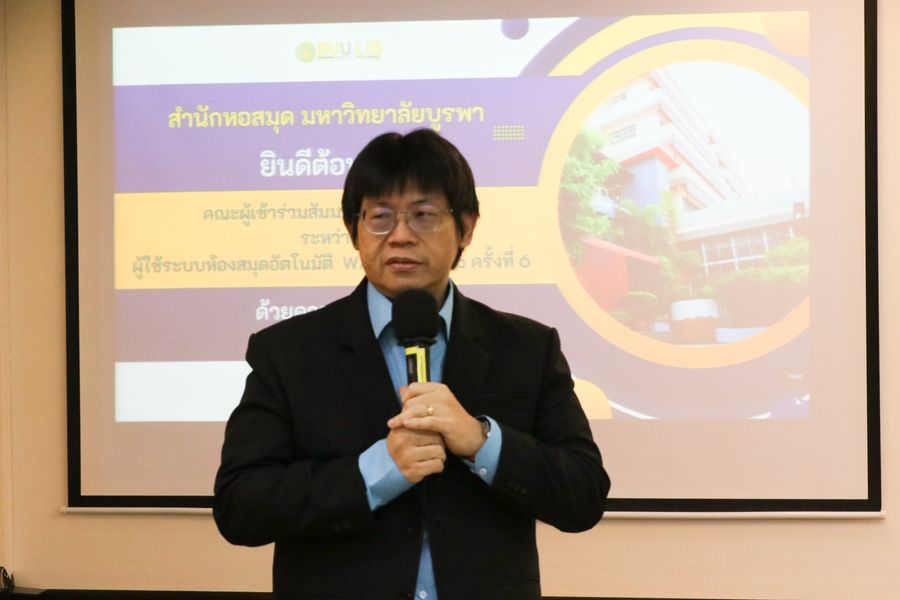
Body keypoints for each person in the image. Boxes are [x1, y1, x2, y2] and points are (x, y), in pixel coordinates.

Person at [213, 129, 610, 600]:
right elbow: (241, 506)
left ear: (466, 228)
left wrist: (481, 442)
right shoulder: (289, 352)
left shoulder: (526, 347)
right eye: (380, 217)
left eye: (424, 215)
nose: (400, 235)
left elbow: (583, 496)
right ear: (354, 230)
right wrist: (375, 471)